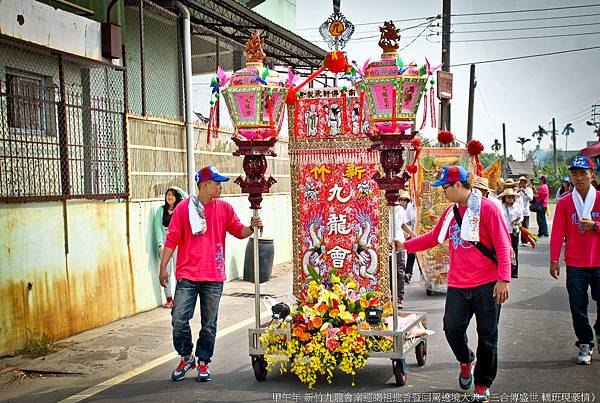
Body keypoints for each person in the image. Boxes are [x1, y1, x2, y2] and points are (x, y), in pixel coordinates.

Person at [396, 166, 511, 401]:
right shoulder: (451, 212)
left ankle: (482, 385)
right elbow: (433, 237)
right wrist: (404, 246)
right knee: (452, 329)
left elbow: (502, 243)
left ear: (458, 185)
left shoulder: (488, 209)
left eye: (446, 188)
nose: (443, 193)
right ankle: (466, 359)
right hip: (458, 284)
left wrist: (504, 279)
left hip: (488, 285)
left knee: (488, 337)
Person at [159, 165, 263, 382]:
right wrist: (163, 267)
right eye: (217, 183)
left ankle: (203, 360)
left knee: (209, 323)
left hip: (213, 276)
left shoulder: (224, 208)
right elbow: (172, 239)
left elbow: (239, 231)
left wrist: (252, 228)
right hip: (187, 275)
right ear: (205, 185)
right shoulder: (183, 209)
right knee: (178, 318)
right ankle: (186, 356)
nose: (220, 187)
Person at [549, 156, 600, 365]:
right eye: (574, 174)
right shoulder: (564, 203)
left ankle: (598, 330)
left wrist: (595, 226)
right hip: (576, 264)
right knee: (577, 306)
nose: (578, 178)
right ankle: (585, 343)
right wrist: (554, 259)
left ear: (592, 175)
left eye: (583, 173)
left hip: (599, 262)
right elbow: (557, 233)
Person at [155, 187, 188, 309]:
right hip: (165, 245)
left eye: (172, 195)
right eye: (168, 195)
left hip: (178, 245)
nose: (170, 197)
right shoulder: (161, 211)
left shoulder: (180, 209)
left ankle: (179, 297)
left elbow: (189, 199)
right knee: (166, 272)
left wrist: (178, 190)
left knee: (178, 271)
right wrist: (160, 245)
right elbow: (157, 228)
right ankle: (169, 298)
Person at [390, 190, 416, 308]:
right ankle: (389, 296)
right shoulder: (384, 208)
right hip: (386, 243)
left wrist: (412, 234)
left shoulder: (400, 209)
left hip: (399, 242)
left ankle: (399, 297)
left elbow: (402, 224)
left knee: (400, 270)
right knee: (389, 270)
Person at [498, 187, 523, 278]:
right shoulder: (501, 206)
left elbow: (521, 216)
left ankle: (514, 271)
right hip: (504, 231)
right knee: (505, 251)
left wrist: (518, 222)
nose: (510, 199)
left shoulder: (517, 206)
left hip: (514, 231)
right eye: (508, 197)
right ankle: (505, 270)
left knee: (515, 250)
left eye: (512, 197)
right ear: (505, 198)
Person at [401, 191, 417, 284]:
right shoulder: (399, 209)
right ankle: (404, 272)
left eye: (404, 200)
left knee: (412, 253)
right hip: (405, 232)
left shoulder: (411, 207)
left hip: (412, 231)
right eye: (401, 200)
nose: (402, 202)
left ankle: (408, 272)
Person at [517, 177, 534, 245]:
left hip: (525, 211)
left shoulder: (529, 190)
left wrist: (525, 192)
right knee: (517, 226)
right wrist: (518, 191)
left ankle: (524, 241)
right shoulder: (516, 189)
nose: (522, 184)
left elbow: (531, 198)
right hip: (517, 211)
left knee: (525, 226)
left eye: (524, 182)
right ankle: (516, 240)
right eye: (521, 182)